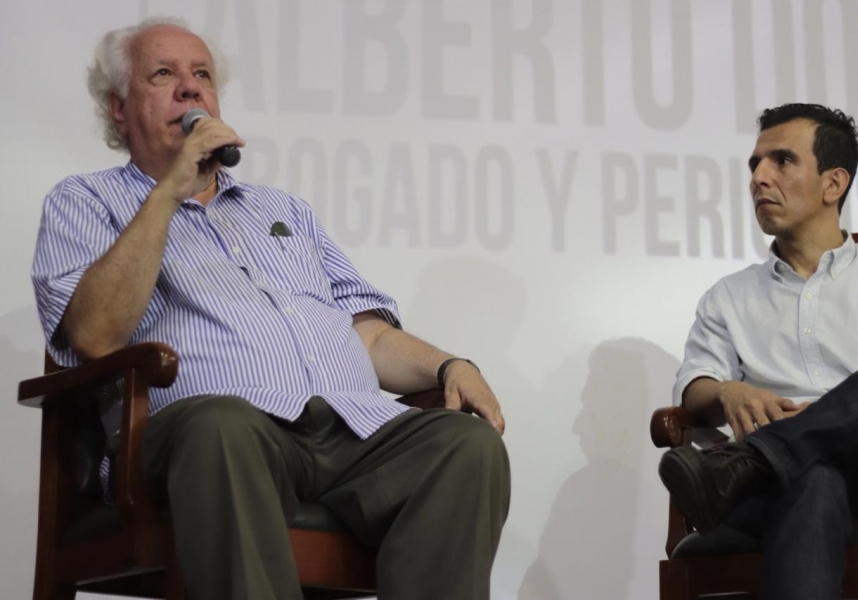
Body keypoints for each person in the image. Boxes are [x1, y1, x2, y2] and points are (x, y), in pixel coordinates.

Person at [31, 17, 510, 600]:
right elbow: (94, 335)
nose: (190, 87)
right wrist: (169, 192)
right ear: (118, 108)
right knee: (223, 426)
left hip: (347, 433)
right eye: (163, 74)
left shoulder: (286, 212)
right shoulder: (86, 200)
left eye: (202, 74)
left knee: (464, 445)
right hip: (218, 436)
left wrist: (449, 366)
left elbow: (367, 333)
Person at [658, 103, 858, 599]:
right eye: (755, 164)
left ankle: (762, 457)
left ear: (833, 184)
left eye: (782, 161)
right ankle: (777, 458)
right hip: (776, 492)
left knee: (805, 466)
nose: (758, 178)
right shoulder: (729, 296)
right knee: (813, 475)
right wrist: (726, 391)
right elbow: (695, 384)